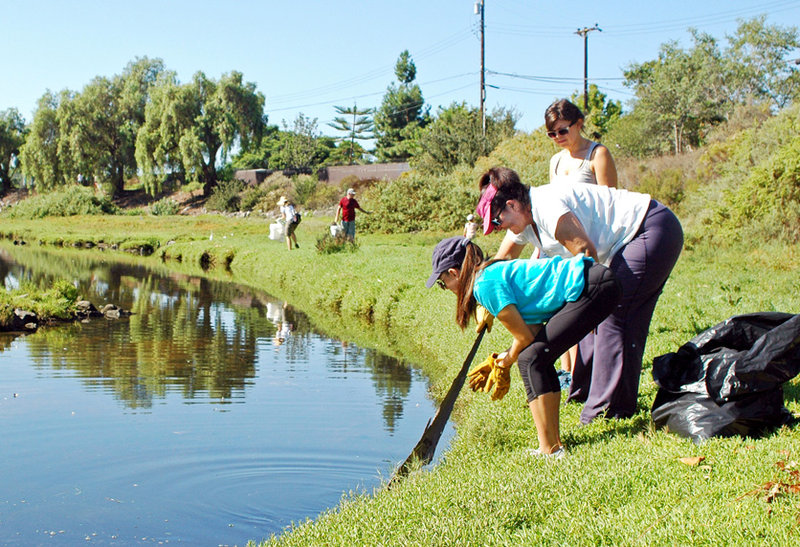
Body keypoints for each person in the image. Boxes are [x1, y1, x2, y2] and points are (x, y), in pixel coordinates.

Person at [476, 166, 683, 424]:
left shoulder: (546, 206)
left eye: (496, 220)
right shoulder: (521, 220)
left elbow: (586, 255)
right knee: (586, 317)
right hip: (626, 243)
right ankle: (585, 393)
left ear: (512, 205)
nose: (497, 228)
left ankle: (609, 410)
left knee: (613, 315)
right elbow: (502, 261)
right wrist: (484, 303)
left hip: (649, 229)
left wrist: (578, 309)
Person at [426, 236, 621, 456]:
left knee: (531, 358)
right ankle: (551, 445)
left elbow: (525, 339)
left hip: (592, 286)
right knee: (535, 356)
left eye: (443, 283)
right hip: (596, 283)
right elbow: (532, 332)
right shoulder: (490, 273)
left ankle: (551, 450)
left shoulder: (484, 284)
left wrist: (504, 361)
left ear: (454, 273)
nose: (447, 288)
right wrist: (504, 357)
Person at [544, 99, 618, 376]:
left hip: (593, 240)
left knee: (587, 305)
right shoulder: (555, 161)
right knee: (563, 305)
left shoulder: (597, 154)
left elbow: (612, 202)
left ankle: (587, 372)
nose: (558, 138)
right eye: (552, 134)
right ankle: (567, 372)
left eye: (562, 131)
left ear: (579, 124)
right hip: (563, 241)